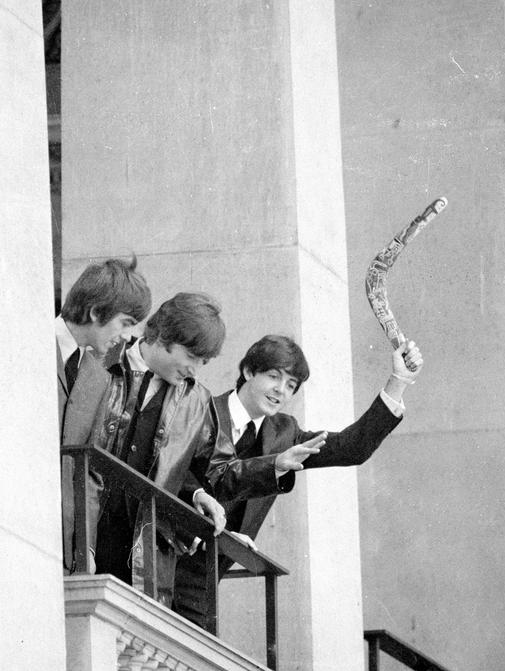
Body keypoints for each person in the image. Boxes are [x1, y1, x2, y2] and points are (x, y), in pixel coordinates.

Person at [173, 333, 424, 627]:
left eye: (291, 385)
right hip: (164, 555)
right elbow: (173, 474)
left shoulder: (284, 432)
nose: (281, 390)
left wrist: (399, 381)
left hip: (204, 579)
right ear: (248, 371)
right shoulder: (201, 409)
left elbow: (351, 448)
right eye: (273, 377)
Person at [93, 292, 228, 608]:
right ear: (165, 336)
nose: (195, 370)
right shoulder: (101, 359)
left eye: (203, 362)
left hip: (142, 556)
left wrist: (198, 494)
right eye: (192, 357)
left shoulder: (197, 400)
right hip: (87, 537)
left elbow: (205, 468)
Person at [56, 256, 151, 575]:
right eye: (125, 322)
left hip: (62, 551)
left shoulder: (98, 378)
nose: (128, 336)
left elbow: (89, 473)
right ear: (96, 311)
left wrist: (86, 548)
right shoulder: (21, 343)